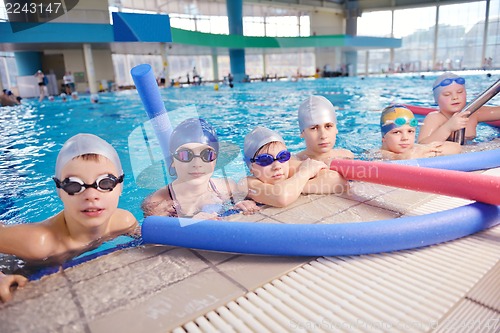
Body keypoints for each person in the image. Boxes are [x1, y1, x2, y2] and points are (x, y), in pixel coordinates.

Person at [0, 133, 138, 303]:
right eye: (74, 185)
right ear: (59, 191)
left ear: (119, 187)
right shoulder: (40, 242)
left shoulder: (124, 222)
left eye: (105, 183)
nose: (91, 195)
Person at [141, 118, 259, 219]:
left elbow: (246, 203)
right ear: (172, 161)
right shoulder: (158, 202)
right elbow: (151, 239)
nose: (197, 164)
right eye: (185, 155)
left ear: (215, 160)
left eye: (207, 155)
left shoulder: (227, 187)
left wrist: (246, 203)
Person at [241, 126, 348, 208]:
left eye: (282, 156)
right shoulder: (246, 183)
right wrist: (304, 174)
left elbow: (338, 181)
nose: (277, 166)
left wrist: (295, 187)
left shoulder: (289, 166)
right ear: (252, 168)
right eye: (265, 160)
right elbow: (281, 197)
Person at [418, 72, 500, 143]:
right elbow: (421, 145)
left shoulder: (472, 113)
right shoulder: (435, 118)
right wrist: (447, 128)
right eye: (447, 94)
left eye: (459, 92)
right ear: (436, 99)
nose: (455, 97)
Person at [380, 105, 461, 160]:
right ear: (383, 137)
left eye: (410, 131)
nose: (405, 138)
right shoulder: (378, 154)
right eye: (397, 132)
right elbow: (405, 158)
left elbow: (456, 147)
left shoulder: (417, 148)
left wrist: (429, 150)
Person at [295, 95, 354, 164]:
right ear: (302, 132)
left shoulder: (346, 156)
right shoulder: (295, 162)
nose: (323, 136)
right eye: (314, 128)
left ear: (336, 129)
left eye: (328, 126)